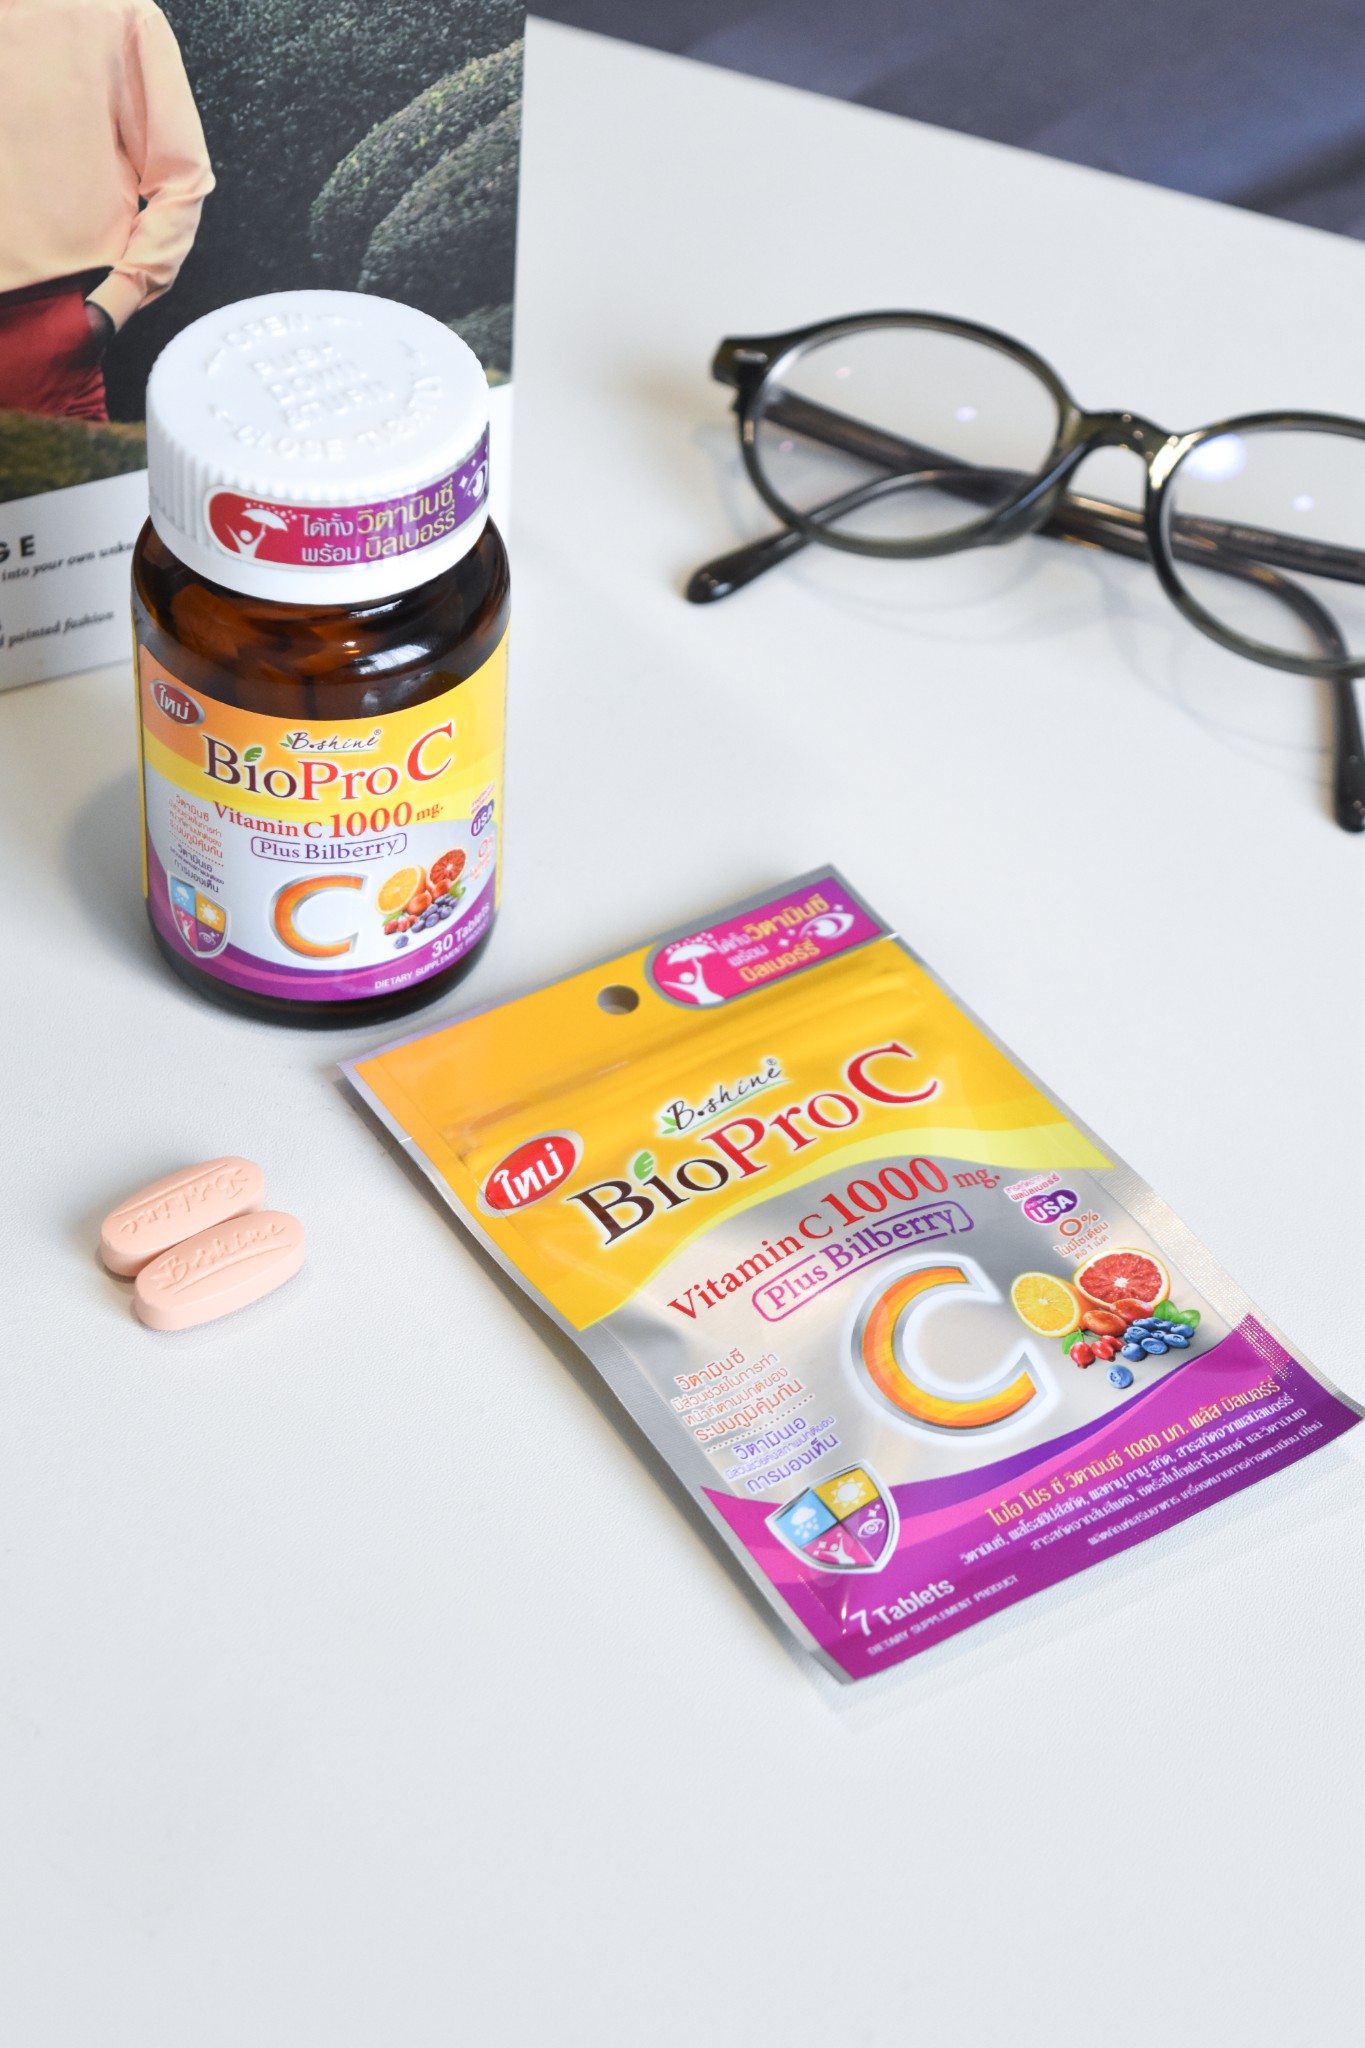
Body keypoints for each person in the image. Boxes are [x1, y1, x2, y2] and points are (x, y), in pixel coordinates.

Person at [0, 0, 214, 423]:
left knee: (66, 468)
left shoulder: (118, 13)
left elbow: (182, 180)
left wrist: (109, 306)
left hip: (48, 332)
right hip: (56, 328)